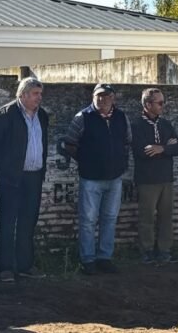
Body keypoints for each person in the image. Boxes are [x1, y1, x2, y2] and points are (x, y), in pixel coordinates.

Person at [0, 77, 49, 282]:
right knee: (8, 221)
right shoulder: (5, 115)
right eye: (36, 94)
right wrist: (4, 169)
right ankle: (6, 267)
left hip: (34, 176)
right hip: (11, 178)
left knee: (28, 221)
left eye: (40, 94)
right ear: (23, 94)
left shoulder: (42, 116)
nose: (40, 98)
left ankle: (25, 265)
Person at [61, 83, 132, 275]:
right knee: (88, 220)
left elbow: (127, 142)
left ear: (113, 98)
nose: (103, 99)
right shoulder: (83, 117)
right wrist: (86, 161)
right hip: (91, 178)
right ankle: (88, 259)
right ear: (93, 97)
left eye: (107, 96)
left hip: (114, 178)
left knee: (109, 218)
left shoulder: (121, 117)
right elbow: (69, 143)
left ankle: (104, 257)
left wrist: (121, 165)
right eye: (99, 96)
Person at [131, 88, 178, 265]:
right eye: (160, 103)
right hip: (147, 179)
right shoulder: (137, 125)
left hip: (166, 177)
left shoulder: (165, 124)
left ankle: (164, 250)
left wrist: (162, 148)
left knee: (166, 216)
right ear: (148, 104)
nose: (163, 106)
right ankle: (146, 250)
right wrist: (166, 146)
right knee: (146, 217)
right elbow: (142, 151)